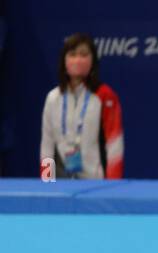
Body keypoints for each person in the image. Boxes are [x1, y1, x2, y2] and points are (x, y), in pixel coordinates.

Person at [40, 33, 124, 180]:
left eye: (84, 55)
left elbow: (114, 145)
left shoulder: (105, 96)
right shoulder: (53, 98)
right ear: (64, 61)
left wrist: (112, 186)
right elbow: (47, 145)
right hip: (60, 183)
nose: (78, 59)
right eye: (72, 54)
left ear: (93, 61)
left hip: (96, 183)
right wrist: (47, 183)